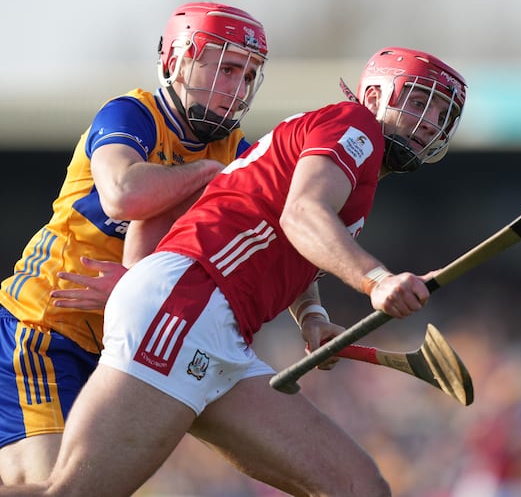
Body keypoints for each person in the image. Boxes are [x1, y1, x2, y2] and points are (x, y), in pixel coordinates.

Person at [0, 46, 468, 496]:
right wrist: (376, 279)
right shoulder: (355, 125)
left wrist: (312, 320)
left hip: (217, 329)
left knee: (358, 487)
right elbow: (302, 217)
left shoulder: (343, 165)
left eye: (441, 115)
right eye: (419, 101)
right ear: (372, 97)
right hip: (188, 307)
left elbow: (297, 244)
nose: (429, 123)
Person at [0, 1, 268, 484]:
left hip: (117, 351)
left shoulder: (238, 149)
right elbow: (124, 195)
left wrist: (311, 315)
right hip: (44, 327)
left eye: (248, 76)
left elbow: (278, 229)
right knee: (49, 486)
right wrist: (206, 172)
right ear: (175, 62)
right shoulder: (133, 114)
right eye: (226, 69)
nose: (237, 89)